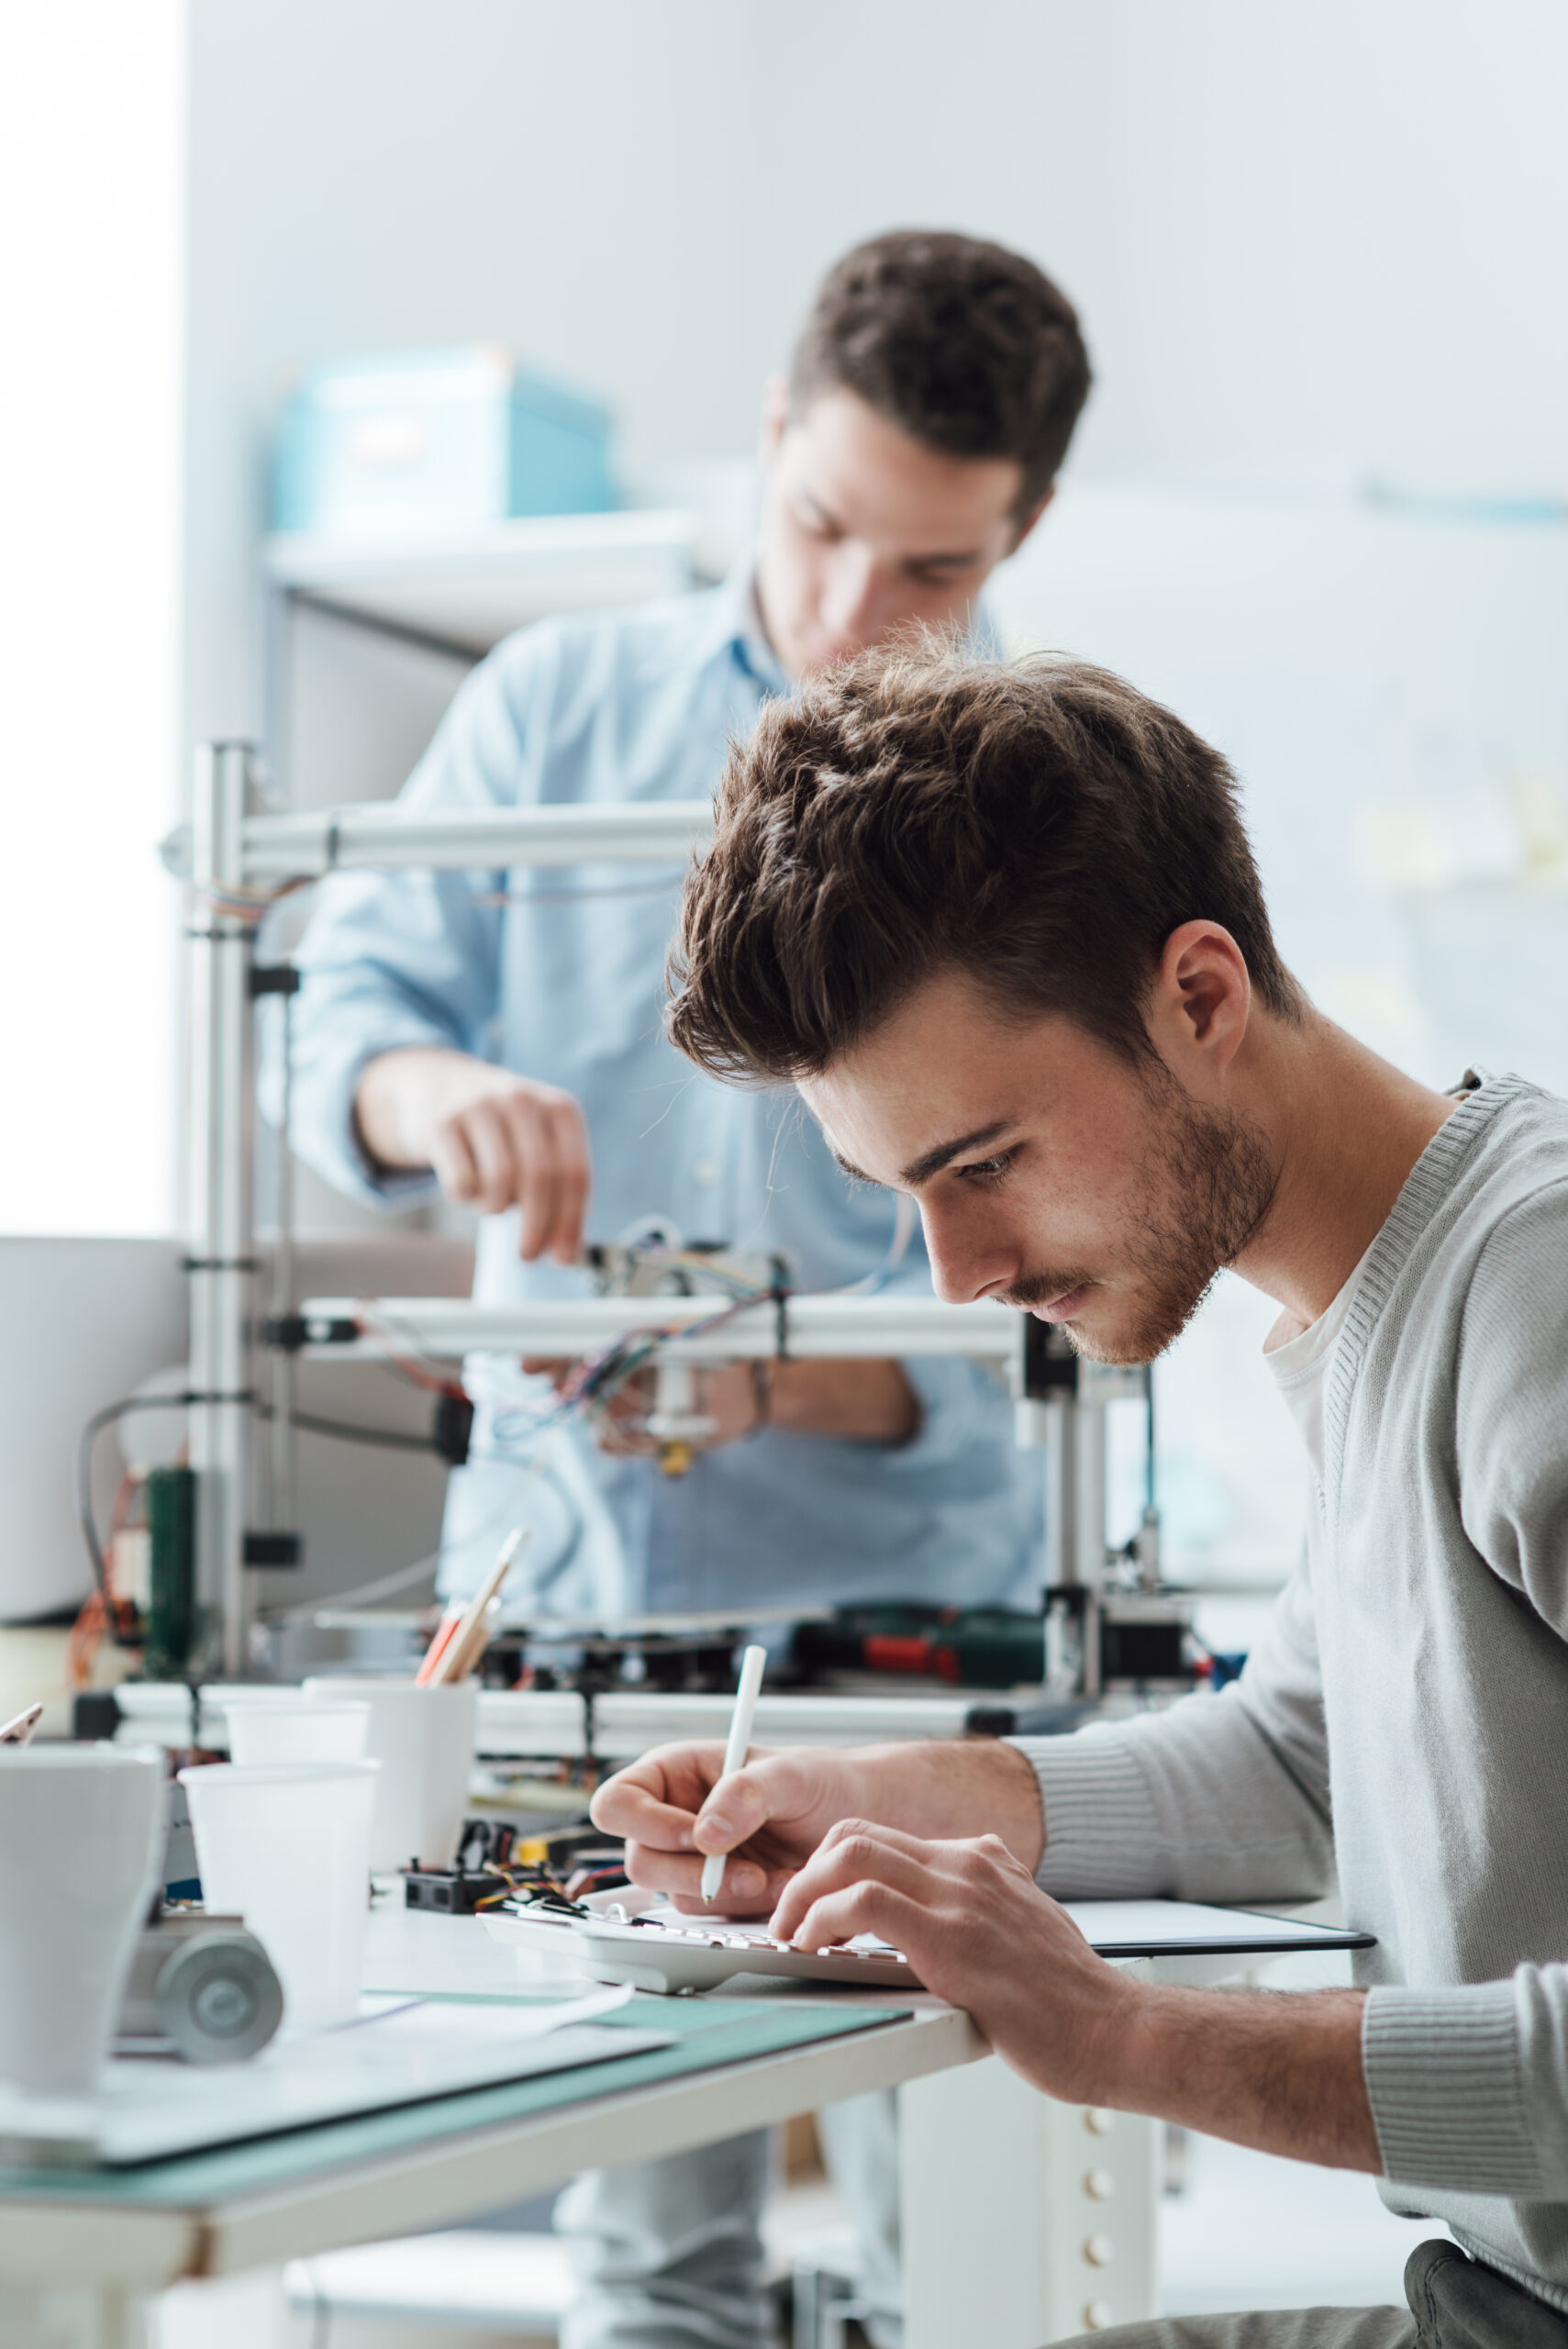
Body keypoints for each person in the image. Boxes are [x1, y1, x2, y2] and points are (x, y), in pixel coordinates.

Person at [284, 235, 1091, 2349]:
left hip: (900, 1647)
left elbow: (1088, 1299)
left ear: (1019, 534)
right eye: (821, 527)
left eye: (927, 570)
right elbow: (337, 1022)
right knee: (652, 2253)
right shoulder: (558, 711)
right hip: (575, 1608)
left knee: (972, 2226)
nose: (849, 612)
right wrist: (422, 1079)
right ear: (764, 443)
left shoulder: (1055, 807)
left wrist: (781, 1394)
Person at [594, 642, 1568, 2349]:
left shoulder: (1538, 1299)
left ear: (1199, 996)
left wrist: (1124, 2037)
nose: (956, 1271)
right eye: (900, 1193)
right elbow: (1301, 1758)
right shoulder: (1383, 1297)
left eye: (983, 1167)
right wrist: (882, 1798)